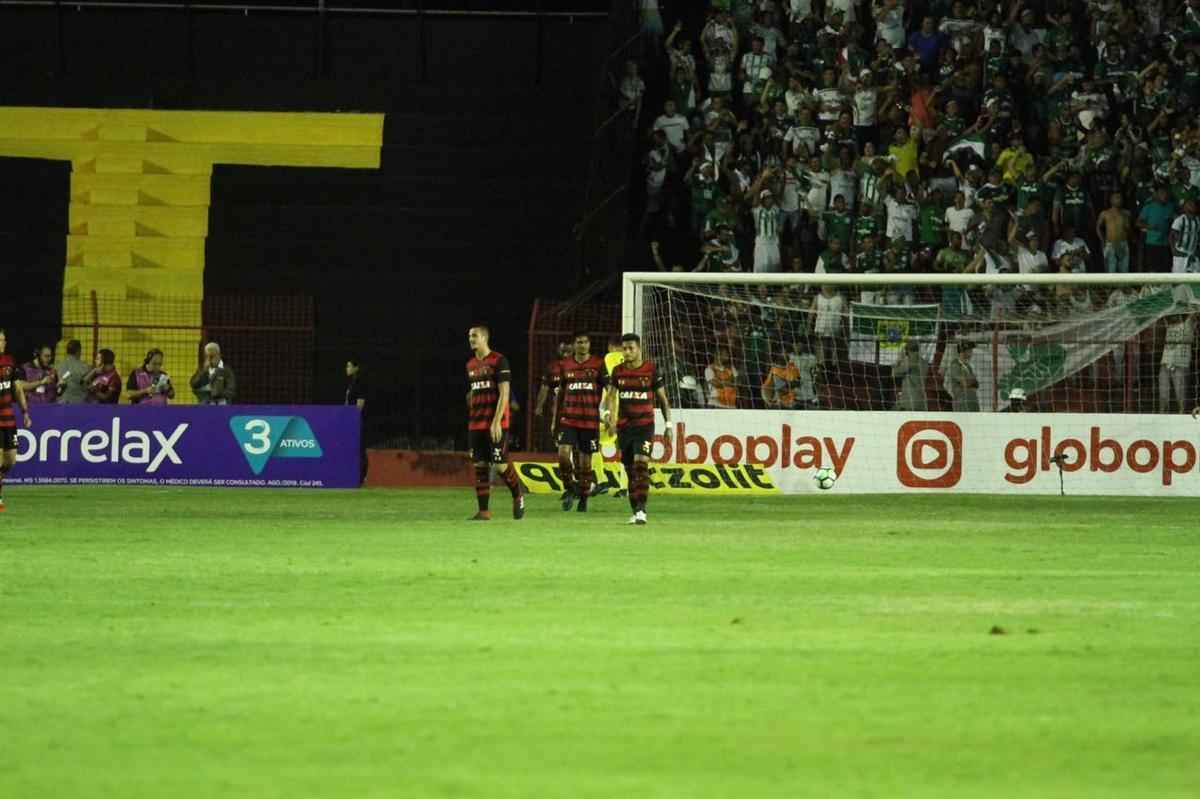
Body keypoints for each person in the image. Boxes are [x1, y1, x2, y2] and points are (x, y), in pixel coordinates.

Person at [604, 333, 670, 526]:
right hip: (625, 427)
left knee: (641, 465)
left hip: (644, 426)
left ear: (639, 349)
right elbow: (610, 396)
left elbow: (663, 400)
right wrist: (609, 417)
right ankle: (635, 510)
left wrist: (668, 425)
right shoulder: (618, 371)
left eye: (631, 348)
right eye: (624, 348)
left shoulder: (651, 369)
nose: (627, 352)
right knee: (630, 471)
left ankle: (642, 510)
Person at [465, 325, 524, 521]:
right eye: (470, 336)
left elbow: (504, 393)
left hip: (497, 423)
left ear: (484, 338)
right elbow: (476, 392)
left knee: (499, 465)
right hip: (476, 423)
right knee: (480, 465)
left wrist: (496, 421)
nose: (471, 339)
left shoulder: (499, 360)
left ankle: (518, 495)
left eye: (475, 336)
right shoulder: (470, 364)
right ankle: (484, 511)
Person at [547, 332, 607, 512]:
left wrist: (607, 411)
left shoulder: (598, 364)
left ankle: (584, 497)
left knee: (585, 463)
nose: (582, 345)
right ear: (574, 345)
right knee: (563, 455)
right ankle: (569, 487)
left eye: (585, 342)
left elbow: (609, 388)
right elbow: (560, 395)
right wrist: (554, 420)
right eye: (579, 342)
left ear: (589, 344)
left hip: (589, 420)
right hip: (568, 419)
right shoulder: (565, 365)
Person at [0, 328, 34, 512]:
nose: (3, 343)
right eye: (0, 340)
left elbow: (18, 389)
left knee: (10, 461)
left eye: (4, 340)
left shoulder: (9, 362)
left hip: (9, 420)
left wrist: (25, 412)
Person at [1159, 313, 1195, 414]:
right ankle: (1162, 415)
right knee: (1163, 395)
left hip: (1180, 364)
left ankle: (1182, 414)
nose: (1172, 316)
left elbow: (1194, 313)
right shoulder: (1168, 325)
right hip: (1165, 363)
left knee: (1180, 395)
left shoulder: (1188, 324)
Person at [345, 358, 368, 485]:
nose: (347, 369)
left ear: (356, 368)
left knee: (360, 448)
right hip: (350, 421)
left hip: (357, 421)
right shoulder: (351, 383)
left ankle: (362, 476)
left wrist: (353, 418)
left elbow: (360, 405)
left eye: (349, 366)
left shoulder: (360, 383)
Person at [1095, 192, 1132, 273]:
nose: (1119, 200)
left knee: (1124, 270)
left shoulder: (1126, 213)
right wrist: (1102, 240)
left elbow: (1129, 229)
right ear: (1111, 200)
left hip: (1123, 243)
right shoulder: (1105, 213)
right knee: (1110, 271)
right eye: (1116, 197)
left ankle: (1123, 286)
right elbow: (1098, 227)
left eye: (1120, 198)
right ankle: (1111, 286)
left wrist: (1125, 219)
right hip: (1110, 243)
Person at [893, 339, 929, 411]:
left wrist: (899, 359)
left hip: (909, 401)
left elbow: (894, 373)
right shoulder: (924, 362)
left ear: (906, 350)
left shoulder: (909, 361)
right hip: (921, 400)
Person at [947, 340, 980, 411]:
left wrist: (971, 381)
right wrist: (972, 380)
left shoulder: (968, 366)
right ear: (963, 352)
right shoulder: (955, 365)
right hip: (962, 403)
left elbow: (977, 384)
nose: (971, 353)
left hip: (971, 401)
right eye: (970, 350)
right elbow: (965, 383)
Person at [1169, 199, 1200, 274]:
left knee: (1195, 276)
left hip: (1193, 253)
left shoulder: (1198, 220)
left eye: (1193, 205)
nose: (1191, 206)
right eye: (1189, 205)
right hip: (1180, 252)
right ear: (1185, 208)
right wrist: (1173, 250)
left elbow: (1198, 235)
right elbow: (1171, 235)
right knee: (1178, 276)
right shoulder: (1180, 220)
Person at [55, 339, 88, 405]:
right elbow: (86, 386)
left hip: (62, 402)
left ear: (67, 351)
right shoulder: (85, 367)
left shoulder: (58, 366)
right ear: (79, 351)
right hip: (80, 403)